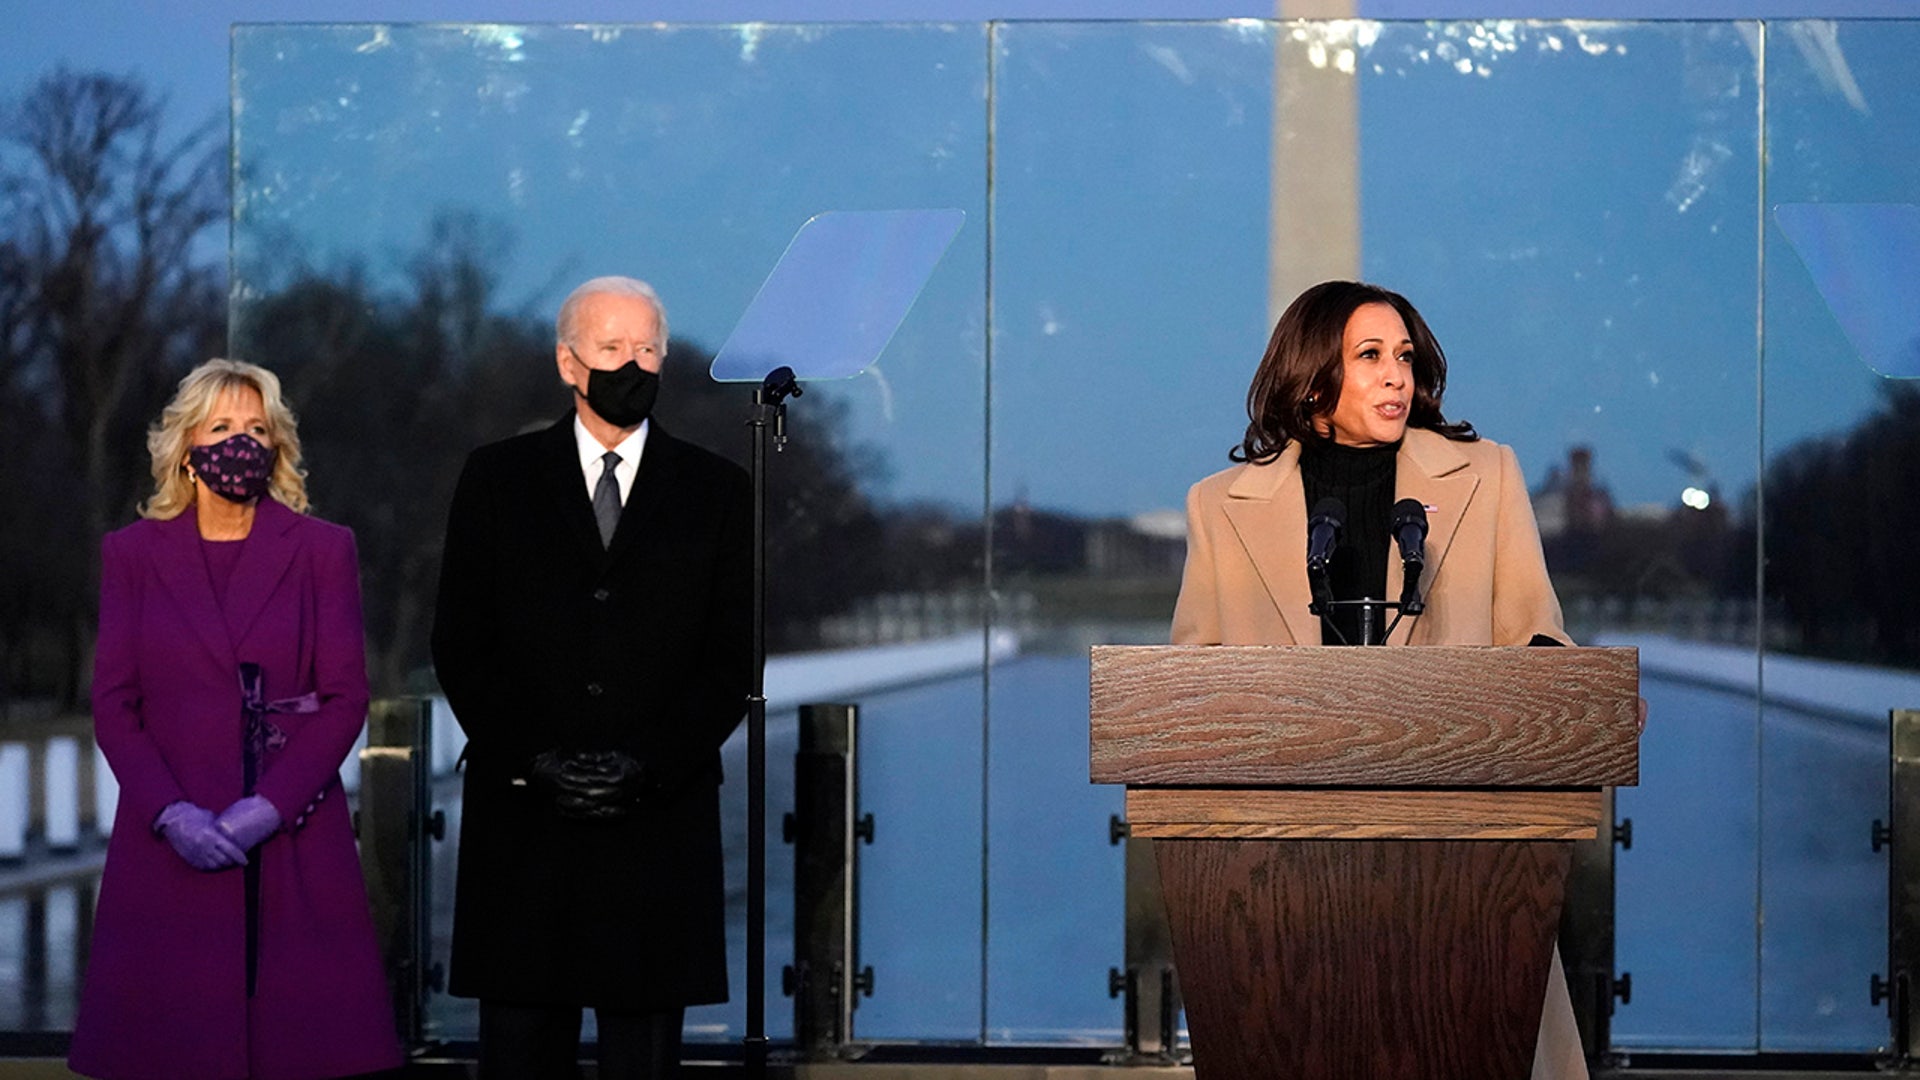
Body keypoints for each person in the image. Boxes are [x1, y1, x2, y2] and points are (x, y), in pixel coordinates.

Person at [1170, 280, 1596, 1079]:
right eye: (1369, 356)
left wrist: (1576, 696)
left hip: (1460, 875)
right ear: (1310, 375)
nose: (1396, 375)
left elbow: (1538, 634)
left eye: (1404, 356)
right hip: (1288, 893)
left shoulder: (1488, 475)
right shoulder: (1218, 507)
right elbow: (1194, 695)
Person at [432, 275, 752, 1079]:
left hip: (658, 827)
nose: (633, 364)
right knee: (517, 1058)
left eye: (648, 348)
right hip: (524, 826)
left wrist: (647, 763)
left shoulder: (718, 490)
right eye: (612, 349)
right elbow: (462, 644)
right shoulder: (496, 479)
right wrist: (531, 756)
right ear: (568, 364)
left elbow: (732, 660)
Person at [69, 359, 402, 1080]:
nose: (240, 443)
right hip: (171, 842)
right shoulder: (131, 556)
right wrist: (170, 814)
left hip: (289, 839)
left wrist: (269, 809)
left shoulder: (323, 549)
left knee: (298, 1048)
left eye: (256, 428)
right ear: (185, 449)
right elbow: (113, 703)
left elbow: (345, 696)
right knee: (172, 1051)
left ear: (278, 445)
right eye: (221, 428)